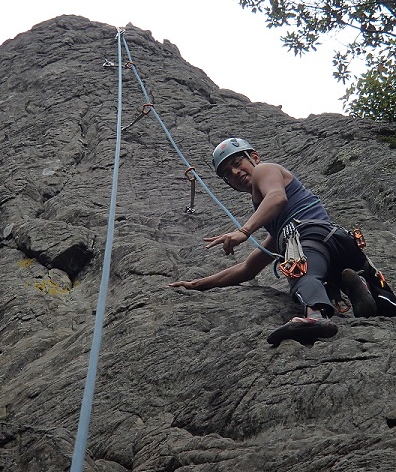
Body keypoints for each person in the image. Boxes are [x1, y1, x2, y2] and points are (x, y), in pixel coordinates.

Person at [169, 137, 396, 346]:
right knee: (352, 277)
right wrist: (197, 284)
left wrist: (244, 231)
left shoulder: (264, 170)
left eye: (237, 163)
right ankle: (370, 290)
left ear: (255, 157)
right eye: (228, 173)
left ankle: (315, 315)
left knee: (299, 269)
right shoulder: (278, 226)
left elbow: (277, 197)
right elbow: (249, 268)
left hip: (309, 240)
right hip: (340, 242)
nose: (235, 172)